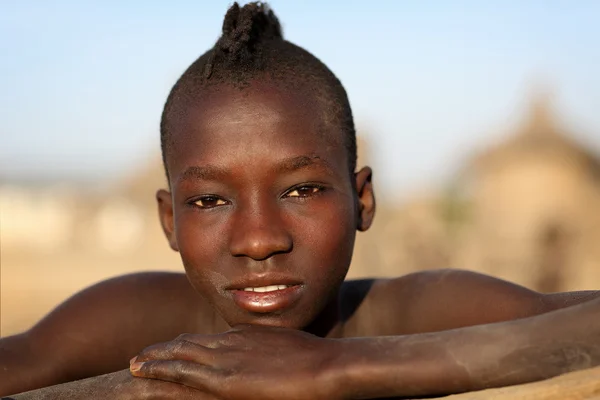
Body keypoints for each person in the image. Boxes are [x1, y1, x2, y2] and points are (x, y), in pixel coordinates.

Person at [2, 3, 599, 399]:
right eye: (209, 201)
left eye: (302, 190)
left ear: (362, 199)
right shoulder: (135, 322)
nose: (259, 240)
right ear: (169, 220)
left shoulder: (409, 313)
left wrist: (334, 368)